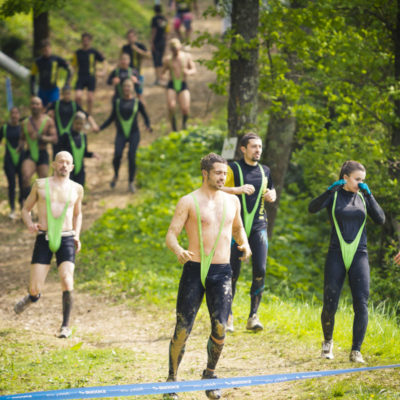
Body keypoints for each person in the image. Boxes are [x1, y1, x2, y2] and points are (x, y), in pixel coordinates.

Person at [164, 153, 251, 400]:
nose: (223, 177)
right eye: (218, 173)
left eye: (225, 174)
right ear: (205, 173)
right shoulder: (188, 201)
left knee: (221, 327)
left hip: (222, 272)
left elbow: (238, 229)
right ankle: (172, 380)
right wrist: (178, 249)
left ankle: (210, 375)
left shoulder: (232, 202)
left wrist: (245, 244)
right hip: (194, 269)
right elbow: (171, 234)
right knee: (182, 328)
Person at [308, 160, 385, 363]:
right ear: (345, 178)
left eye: (363, 180)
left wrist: (369, 194)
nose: (361, 183)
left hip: (359, 253)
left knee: (361, 302)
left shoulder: (363, 196)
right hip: (336, 253)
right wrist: (327, 191)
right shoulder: (334, 195)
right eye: (357, 179)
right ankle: (327, 343)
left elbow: (380, 219)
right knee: (330, 302)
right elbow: (312, 208)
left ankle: (356, 350)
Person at [14, 151, 84, 339]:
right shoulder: (40, 185)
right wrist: (30, 224)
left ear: (72, 167)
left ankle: (65, 326)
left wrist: (77, 235)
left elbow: (78, 214)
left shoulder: (77, 188)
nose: (64, 165)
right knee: (35, 287)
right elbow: (26, 209)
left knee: (67, 279)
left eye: (67, 162)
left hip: (67, 237)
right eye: (60, 161)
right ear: (53, 164)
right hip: (44, 237)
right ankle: (32, 297)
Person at [222, 133, 276, 332]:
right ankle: (228, 315)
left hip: (258, 227)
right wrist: (238, 189)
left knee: (260, 270)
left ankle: (253, 316)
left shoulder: (265, 170)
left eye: (260, 146)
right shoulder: (232, 168)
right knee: (232, 272)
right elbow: (217, 190)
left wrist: (273, 194)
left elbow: (272, 189)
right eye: (254, 146)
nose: (258, 150)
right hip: (235, 227)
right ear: (243, 149)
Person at [99, 79, 152, 193]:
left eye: (129, 86)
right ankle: (116, 175)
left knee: (131, 156)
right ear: (122, 88)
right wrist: (100, 128)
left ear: (132, 88)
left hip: (134, 133)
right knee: (117, 155)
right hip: (121, 134)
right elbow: (111, 118)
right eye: (125, 86)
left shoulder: (137, 102)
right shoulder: (117, 102)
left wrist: (148, 126)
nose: (127, 88)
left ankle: (131, 181)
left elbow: (145, 117)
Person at [19, 97, 58, 202]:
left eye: (37, 104)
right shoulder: (25, 122)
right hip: (29, 153)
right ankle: (27, 207)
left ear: (42, 106)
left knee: (43, 181)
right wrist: (19, 147)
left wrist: (42, 137)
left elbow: (54, 139)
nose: (35, 106)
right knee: (26, 178)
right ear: (30, 106)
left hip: (42, 153)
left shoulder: (48, 121)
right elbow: (22, 139)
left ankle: (43, 207)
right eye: (33, 104)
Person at [47, 85, 99, 157]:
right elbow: (44, 115)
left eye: (68, 93)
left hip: (70, 136)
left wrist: (94, 124)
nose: (67, 96)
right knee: (56, 156)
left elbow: (86, 114)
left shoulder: (74, 105)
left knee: (69, 157)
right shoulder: (56, 104)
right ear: (62, 94)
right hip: (57, 135)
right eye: (65, 94)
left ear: (70, 94)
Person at [161, 38, 196, 131]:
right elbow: (162, 72)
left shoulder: (187, 56)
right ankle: (174, 128)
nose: (175, 50)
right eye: (173, 49)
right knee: (171, 106)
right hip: (171, 84)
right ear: (170, 49)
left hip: (183, 83)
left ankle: (184, 125)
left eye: (176, 48)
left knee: (185, 108)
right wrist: (163, 78)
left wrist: (188, 72)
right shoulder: (168, 59)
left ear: (180, 47)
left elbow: (194, 70)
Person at [58, 112, 99, 186]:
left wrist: (92, 154)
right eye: (77, 123)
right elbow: (59, 152)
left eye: (81, 124)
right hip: (68, 170)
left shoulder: (83, 136)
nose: (79, 126)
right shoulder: (66, 136)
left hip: (80, 171)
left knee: (79, 193)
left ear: (84, 124)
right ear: (73, 122)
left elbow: (84, 153)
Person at [71, 32, 106, 116]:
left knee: (90, 98)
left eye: (87, 40)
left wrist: (103, 71)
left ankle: (88, 117)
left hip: (91, 77)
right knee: (78, 97)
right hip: (80, 77)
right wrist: (71, 77)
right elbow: (73, 66)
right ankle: (79, 115)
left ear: (90, 41)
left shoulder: (93, 52)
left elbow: (104, 61)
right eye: (83, 40)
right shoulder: (77, 53)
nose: (85, 42)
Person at [30, 39, 72, 106]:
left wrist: (66, 82)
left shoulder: (56, 59)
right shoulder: (38, 62)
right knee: (40, 109)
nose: (46, 51)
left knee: (52, 109)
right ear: (41, 50)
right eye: (44, 50)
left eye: (47, 49)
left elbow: (69, 69)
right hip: (42, 89)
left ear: (50, 48)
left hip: (53, 89)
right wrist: (32, 92)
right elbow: (32, 77)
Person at [0, 107, 24, 219]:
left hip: (22, 158)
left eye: (16, 113)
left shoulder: (23, 127)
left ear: (19, 115)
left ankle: (23, 206)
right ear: (10, 115)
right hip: (9, 159)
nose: (14, 115)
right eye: (12, 113)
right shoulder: (4, 128)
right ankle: (12, 209)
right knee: (12, 185)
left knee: (23, 184)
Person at [121, 29, 151, 99]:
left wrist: (137, 50)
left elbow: (148, 56)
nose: (130, 39)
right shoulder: (125, 48)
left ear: (135, 37)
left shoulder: (140, 46)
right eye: (129, 37)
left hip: (139, 72)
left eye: (132, 37)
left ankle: (141, 108)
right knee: (126, 93)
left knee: (139, 94)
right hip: (127, 73)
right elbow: (121, 59)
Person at [150, 4, 168, 85]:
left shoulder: (154, 19)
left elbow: (154, 31)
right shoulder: (164, 19)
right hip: (162, 41)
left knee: (156, 61)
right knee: (160, 60)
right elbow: (166, 31)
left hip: (156, 41)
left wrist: (152, 42)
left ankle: (158, 78)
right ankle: (161, 77)